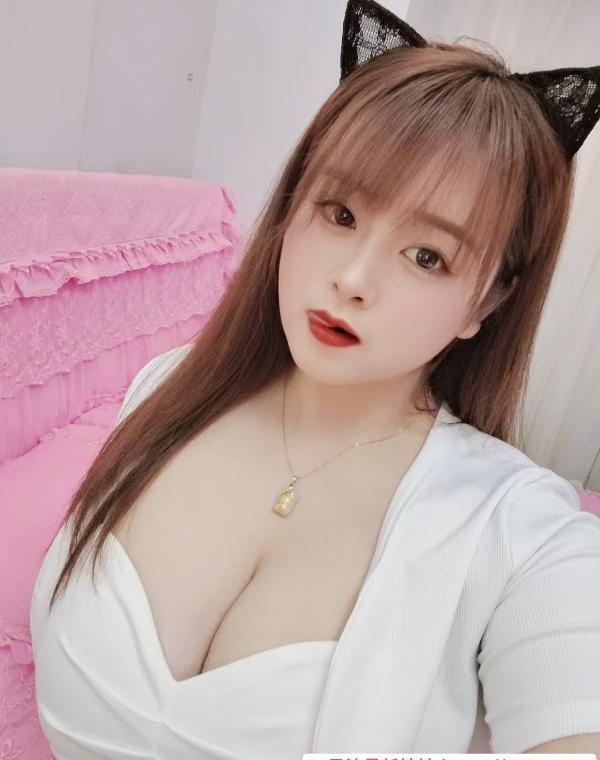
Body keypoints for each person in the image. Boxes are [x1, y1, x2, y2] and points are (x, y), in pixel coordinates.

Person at [29, 0, 600, 757]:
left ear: (487, 303)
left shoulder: (524, 533)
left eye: (427, 256)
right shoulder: (166, 387)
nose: (353, 280)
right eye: (340, 213)